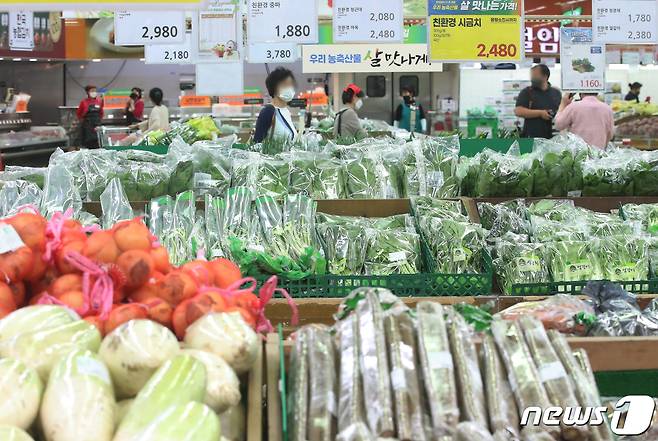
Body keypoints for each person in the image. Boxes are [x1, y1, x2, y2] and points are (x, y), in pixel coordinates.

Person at [514, 64, 562, 139]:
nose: (532, 78)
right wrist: (540, 113)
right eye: (532, 75)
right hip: (532, 137)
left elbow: (562, 110)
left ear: (545, 76)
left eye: (535, 75)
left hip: (553, 138)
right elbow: (518, 111)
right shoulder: (527, 92)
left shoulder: (556, 93)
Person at [253, 67, 298, 143]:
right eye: (285, 85)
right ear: (274, 88)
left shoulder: (286, 111)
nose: (289, 88)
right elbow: (257, 143)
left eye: (291, 85)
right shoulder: (268, 111)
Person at [76, 85, 104, 149]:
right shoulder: (84, 102)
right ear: (87, 92)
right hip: (87, 126)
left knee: (98, 142)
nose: (94, 92)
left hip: (97, 125)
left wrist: (98, 121)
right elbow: (79, 114)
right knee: (88, 143)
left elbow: (101, 113)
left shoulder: (99, 101)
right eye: (92, 91)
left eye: (95, 91)